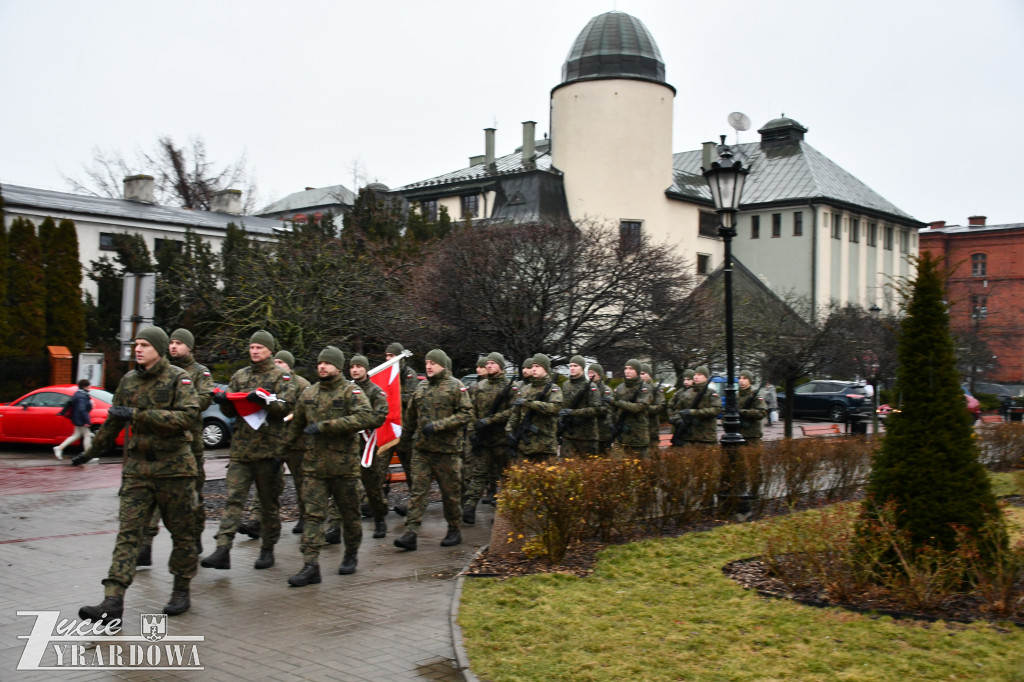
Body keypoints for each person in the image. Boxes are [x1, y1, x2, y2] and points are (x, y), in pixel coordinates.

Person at [73, 326, 200, 623]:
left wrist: (139, 415)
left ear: (159, 347)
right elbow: (113, 422)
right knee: (128, 534)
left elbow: (188, 417)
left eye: (144, 344)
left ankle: (181, 589)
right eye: (136, 344)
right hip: (138, 471)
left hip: (175, 471)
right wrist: (89, 453)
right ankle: (113, 600)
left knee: (183, 534)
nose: (138, 349)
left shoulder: (178, 379)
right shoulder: (128, 381)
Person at [201, 331, 292, 572]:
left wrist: (264, 401)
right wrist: (225, 402)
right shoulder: (240, 375)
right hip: (241, 450)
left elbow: (285, 408)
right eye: (251, 347)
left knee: (268, 504)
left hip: (268, 451)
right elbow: (231, 414)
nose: (254, 351)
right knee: (233, 499)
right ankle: (223, 548)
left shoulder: (281, 376)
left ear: (270, 350)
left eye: (260, 347)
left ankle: (268, 548)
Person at [286, 347, 374, 586]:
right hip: (315, 468)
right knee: (313, 516)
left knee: (350, 516)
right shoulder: (309, 393)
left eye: (327, 363)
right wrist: (280, 452)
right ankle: (310, 564)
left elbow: (367, 417)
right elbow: (295, 428)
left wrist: (328, 425)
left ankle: (351, 553)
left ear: (338, 366)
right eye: (320, 363)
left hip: (344, 468)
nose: (322, 367)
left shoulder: (351, 391)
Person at [137, 328, 215, 566]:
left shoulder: (200, 372)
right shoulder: (159, 371)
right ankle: (145, 546)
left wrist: (180, 403)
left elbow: (205, 398)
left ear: (189, 347)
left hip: (189, 441)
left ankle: (194, 537)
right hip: (160, 442)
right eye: (171, 342)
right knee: (154, 494)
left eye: (179, 343)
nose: (173, 347)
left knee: (192, 496)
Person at [393, 348, 472, 551]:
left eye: (433, 363)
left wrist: (439, 425)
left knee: (450, 494)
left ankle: (454, 529)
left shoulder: (456, 387)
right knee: (418, 492)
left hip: (447, 452)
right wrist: (403, 439)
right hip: (422, 451)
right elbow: (410, 418)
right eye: (427, 362)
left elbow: (465, 415)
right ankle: (411, 533)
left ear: (443, 365)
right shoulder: (421, 388)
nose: (428, 366)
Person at [239, 350, 312, 539]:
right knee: (267, 482)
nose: (278, 364)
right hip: (272, 442)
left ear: (290, 365)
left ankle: (306, 517)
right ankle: (256, 520)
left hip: (296, 443)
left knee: (301, 482)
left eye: (282, 361)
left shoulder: (302, 384)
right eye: (276, 360)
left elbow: (307, 408)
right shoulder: (270, 381)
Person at [463, 352, 516, 523]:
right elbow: (471, 410)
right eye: (488, 363)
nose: (489, 365)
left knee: (506, 476)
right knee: (479, 474)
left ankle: (505, 512)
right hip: (483, 439)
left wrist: (491, 420)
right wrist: (473, 432)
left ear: (501, 366)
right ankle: (469, 507)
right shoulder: (479, 386)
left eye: (493, 363)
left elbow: (513, 411)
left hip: (501, 439)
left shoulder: (509, 387)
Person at [349, 354, 390, 539]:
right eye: (352, 367)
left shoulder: (375, 391)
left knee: (372, 486)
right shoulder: (346, 389)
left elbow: (381, 415)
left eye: (358, 366)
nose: (355, 370)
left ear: (365, 369)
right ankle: (336, 525)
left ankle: (380, 518)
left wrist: (361, 422)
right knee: (344, 485)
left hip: (367, 445)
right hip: (347, 445)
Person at [507, 353, 563, 462]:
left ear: (546, 369)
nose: (533, 369)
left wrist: (530, 403)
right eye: (532, 366)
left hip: (545, 447)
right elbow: (515, 413)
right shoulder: (524, 389)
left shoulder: (554, 389)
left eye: (537, 366)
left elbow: (555, 408)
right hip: (524, 447)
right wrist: (508, 431)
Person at [386, 342, 419, 485]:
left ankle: (414, 502)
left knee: (410, 467)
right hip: (388, 428)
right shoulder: (384, 373)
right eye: (386, 356)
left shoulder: (409, 374)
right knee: (378, 468)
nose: (388, 359)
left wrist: (392, 397)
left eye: (391, 355)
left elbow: (411, 398)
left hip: (405, 429)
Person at [608, 359, 651, 458]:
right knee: (617, 469)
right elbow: (611, 409)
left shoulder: (645, 388)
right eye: (626, 368)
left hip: (638, 438)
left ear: (638, 371)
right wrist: (611, 423)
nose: (627, 371)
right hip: (620, 436)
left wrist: (616, 402)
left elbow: (638, 407)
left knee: (642, 470)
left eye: (631, 369)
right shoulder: (620, 388)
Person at [558, 355, 601, 457]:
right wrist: (559, 421)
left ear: (582, 367)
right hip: (568, 435)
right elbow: (562, 407)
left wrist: (573, 413)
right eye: (570, 366)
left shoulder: (591, 386)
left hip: (587, 437)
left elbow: (596, 410)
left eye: (575, 366)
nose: (572, 368)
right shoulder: (566, 385)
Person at [672, 366, 719, 445]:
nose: (696, 377)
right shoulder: (687, 393)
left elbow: (716, 409)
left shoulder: (711, 393)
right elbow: (677, 409)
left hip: (706, 438)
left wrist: (694, 412)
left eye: (700, 375)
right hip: (689, 438)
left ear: (706, 377)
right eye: (695, 374)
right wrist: (679, 420)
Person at [54, 379, 93, 460]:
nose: (90, 388)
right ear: (84, 387)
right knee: (87, 435)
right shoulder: (82, 396)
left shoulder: (78, 394)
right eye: (89, 386)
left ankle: (59, 448)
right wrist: (87, 420)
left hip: (77, 418)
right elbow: (82, 409)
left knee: (76, 435)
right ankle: (87, 456)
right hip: (81, 419)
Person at [588, 363, 613, 454]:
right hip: (590, 431)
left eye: (593, 372)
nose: (590, 375)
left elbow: (607, 408)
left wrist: (593, 410)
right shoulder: (587, 388)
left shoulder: (606, 390)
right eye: (589, 373)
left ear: (599, 374)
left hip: (604, 430)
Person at [640, 363, 665, 455]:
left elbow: (659, 407)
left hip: (652, 427)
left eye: (643, 374)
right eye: (639, 373)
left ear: (649, 374)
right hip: (639, 428)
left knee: (654, 454)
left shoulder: (656, 388)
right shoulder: (638, 388)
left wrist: (643, 408)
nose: (640, 376)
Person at [737, 370, 767, 442]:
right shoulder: (736, 396)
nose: (741, 381)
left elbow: (762, 412)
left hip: (752, 437)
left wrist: (743, 412)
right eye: (740, 378)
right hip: (738, 435)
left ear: (749, 380)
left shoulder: (755, 395)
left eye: (744, 378)